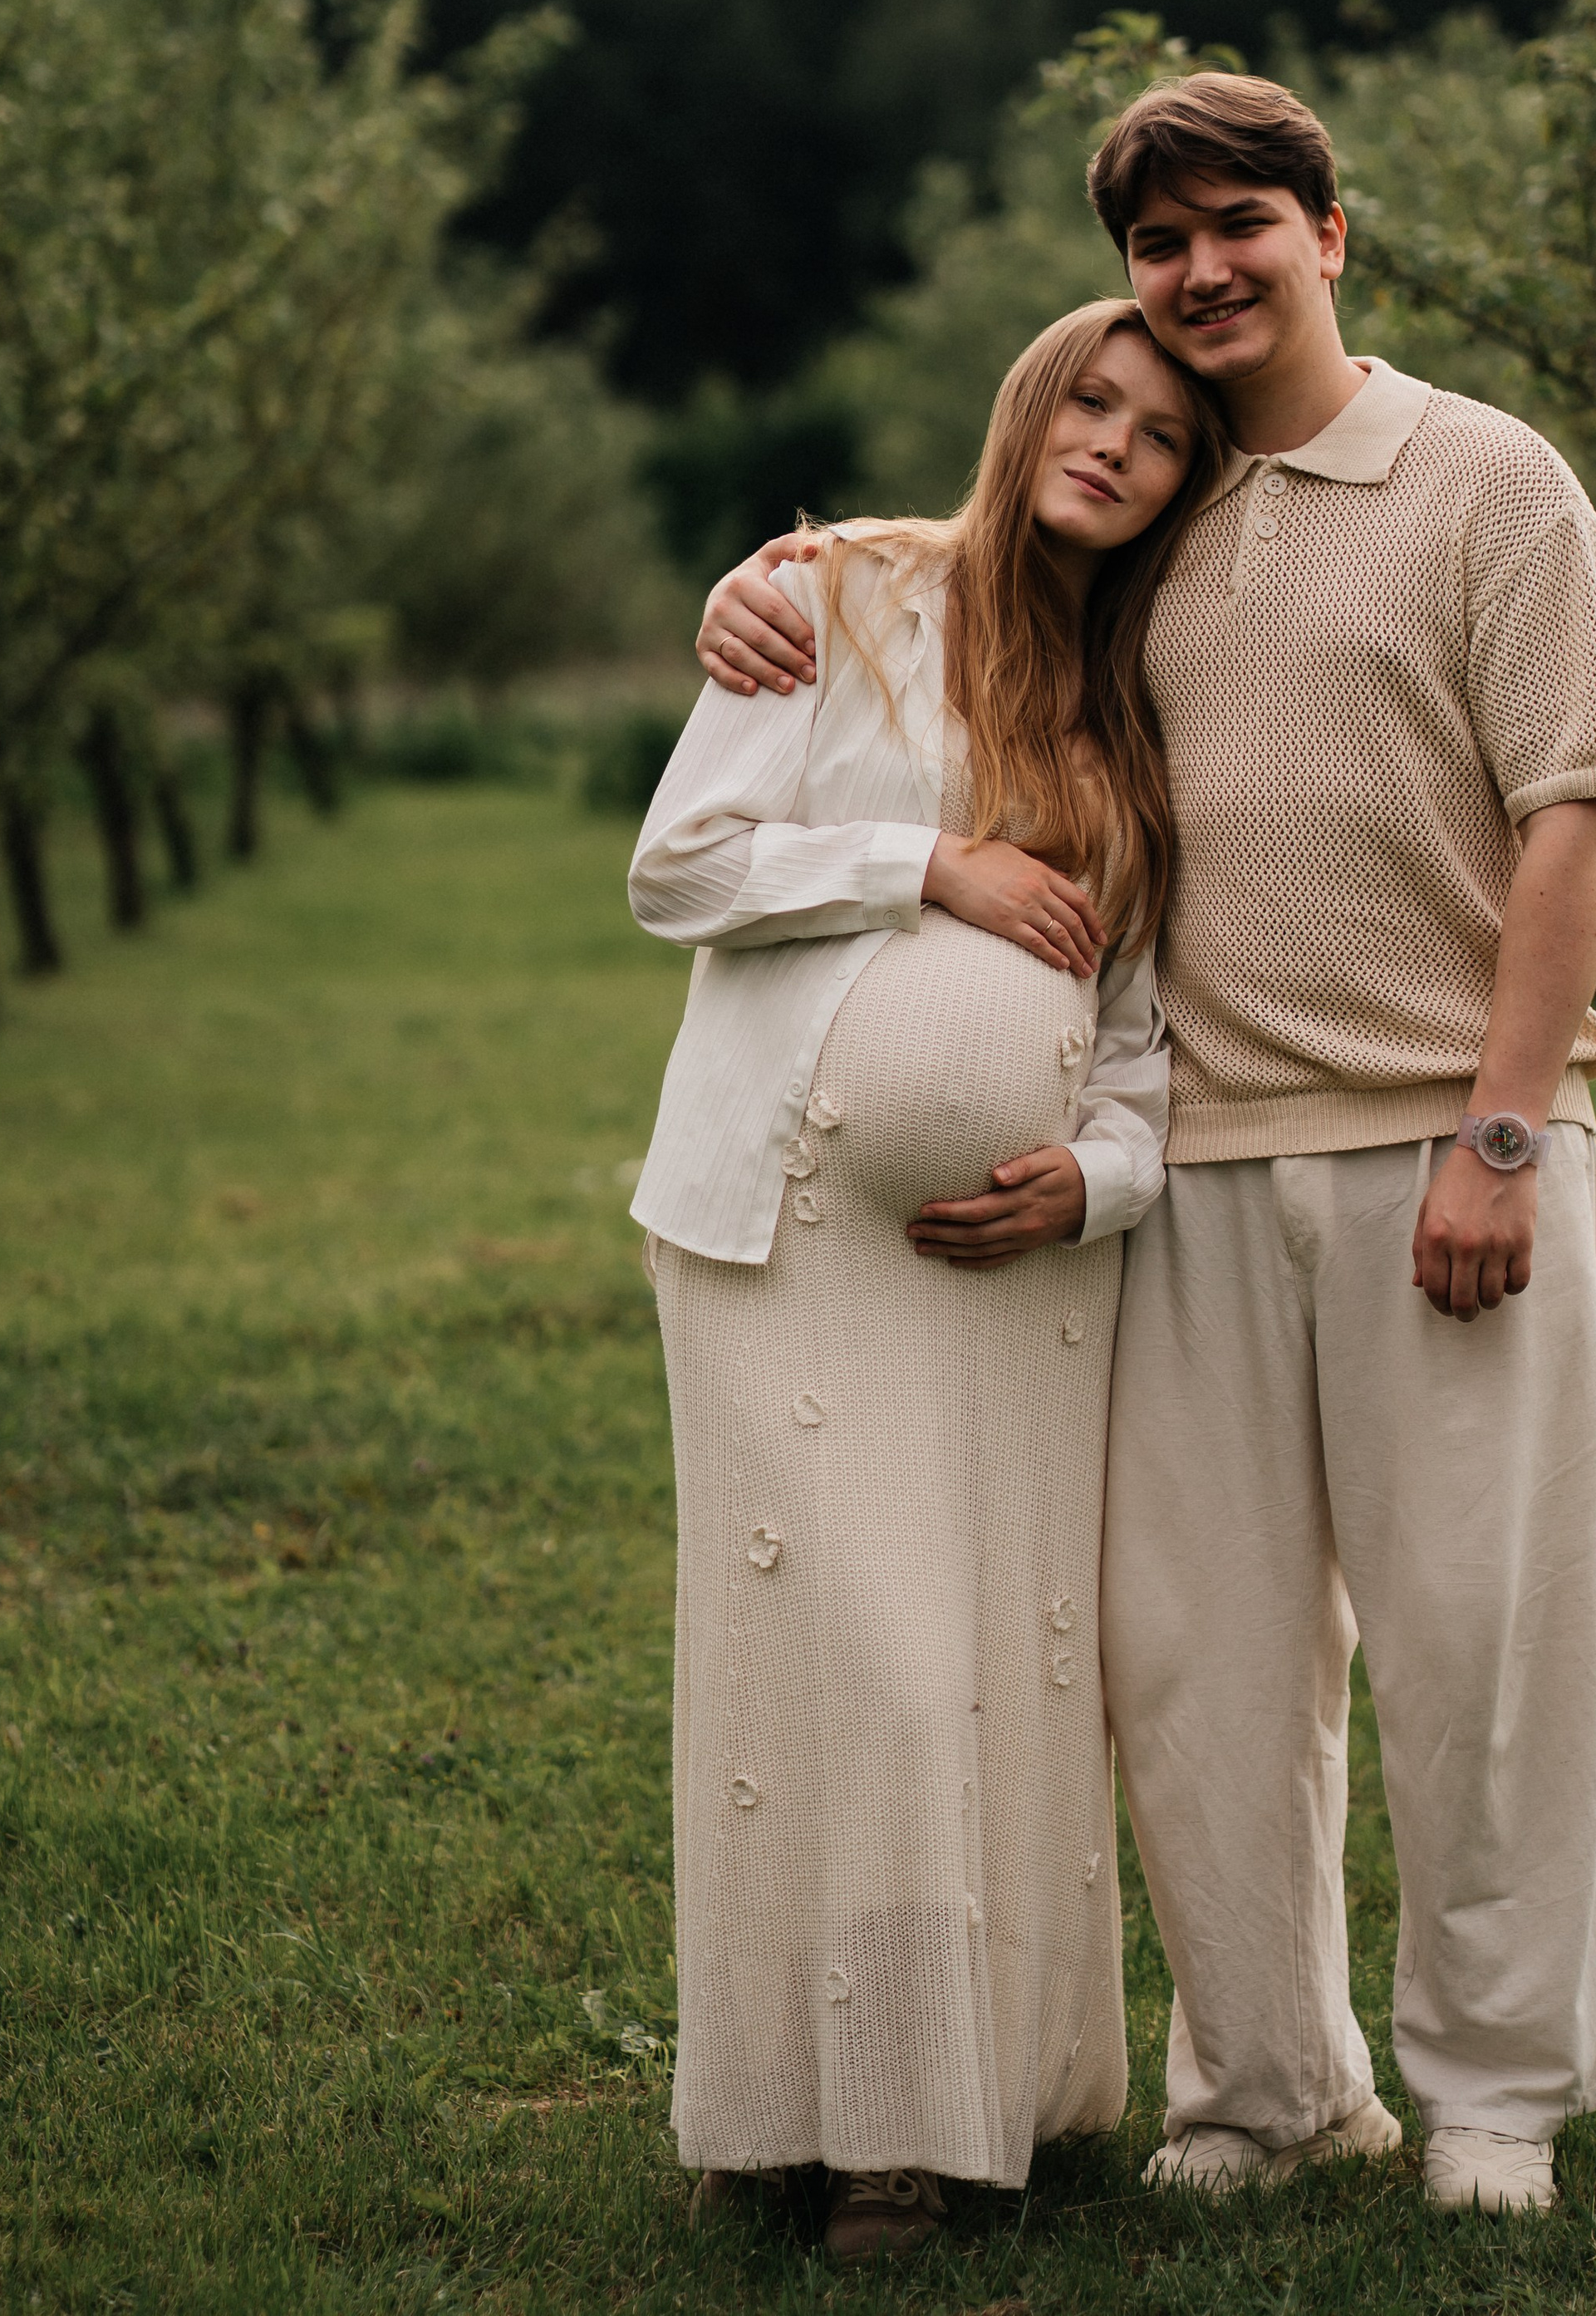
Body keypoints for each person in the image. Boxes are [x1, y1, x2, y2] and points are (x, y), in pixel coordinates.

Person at [697, 71, 1596, 2222]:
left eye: (1242, 223)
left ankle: (1489, 2092)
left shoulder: (1492, 482)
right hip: (1192, 1169)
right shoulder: (1162, 502)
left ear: (1331, 232)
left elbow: (1576, 806)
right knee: (1196, 1661)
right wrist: (772, 584)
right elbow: (968, 565)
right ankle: (1267, 2082)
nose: (1202, 268)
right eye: (1158, 240)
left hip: (1448, 1147)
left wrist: (1501, 1127)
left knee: (1477, 1639)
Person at [628, 301, 1229, 2264]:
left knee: (971, 1682)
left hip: (1014, 1286)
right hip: (787, 1231)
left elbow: (1136, 1050)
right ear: (1026, 403)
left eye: (1159, 433)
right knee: (815, 1670)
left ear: (1180, 485)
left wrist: (1093, 1182)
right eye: (1092, 397)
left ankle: (910, 2121)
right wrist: (926, 868)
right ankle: (775, 2100)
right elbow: (679, 867)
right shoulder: (841, 596)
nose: (1115, 444)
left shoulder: (1130, 718)